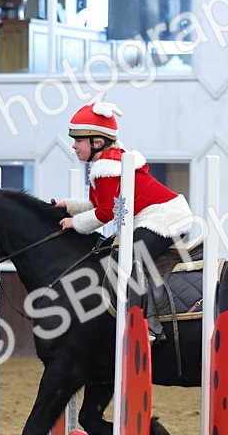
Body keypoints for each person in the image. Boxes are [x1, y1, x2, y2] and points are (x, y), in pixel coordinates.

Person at [53, 95, 192, 339]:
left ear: (97, 142)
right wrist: (69, 206)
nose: (74, 146)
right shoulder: (106, 162)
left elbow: (106, 213)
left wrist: (74, 223)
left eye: (78, 141)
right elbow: (100, 205)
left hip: (164, 218)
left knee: (127, 260)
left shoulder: (107, 167)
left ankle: (146, 326)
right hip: (155, 216)